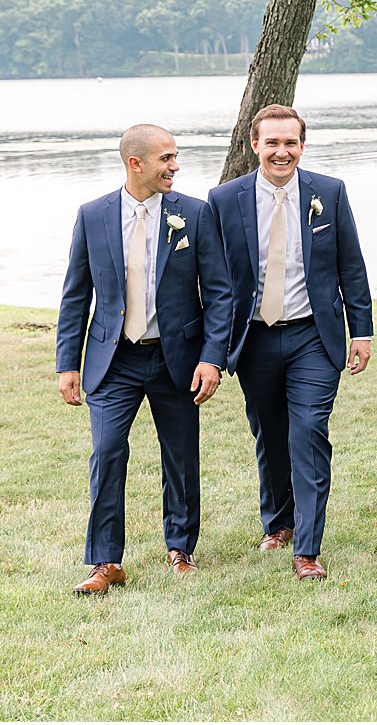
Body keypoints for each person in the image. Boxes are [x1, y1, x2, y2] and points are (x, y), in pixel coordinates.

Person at [55, 124, 232, 594]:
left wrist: (212, 358)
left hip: (176, 359)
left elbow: (219, 293)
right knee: (107, 453)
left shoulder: (194, 213)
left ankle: (181, 549)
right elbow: (76, 296)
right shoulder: (93, 215)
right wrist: (67, 364)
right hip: (113, 361)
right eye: (166, 159)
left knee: (180, 457)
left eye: (175, 158)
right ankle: (105, 563)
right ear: (136, 164)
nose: (175, 166)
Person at [208, 104, 373, 582]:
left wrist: (360, 330)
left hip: (312, 337)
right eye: (273, 143)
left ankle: (307, 548)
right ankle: (276, 522)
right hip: (254, 337)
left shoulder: (330, 193)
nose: (282, 152)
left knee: (308, 433)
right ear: (254, 145)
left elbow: (352, 266)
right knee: (269, 434)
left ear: (303, 144)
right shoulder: (223, 200)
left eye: (291, 143)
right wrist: (213, 351)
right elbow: (215, 282)